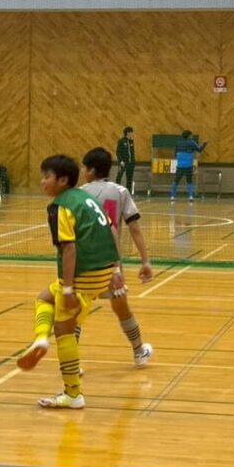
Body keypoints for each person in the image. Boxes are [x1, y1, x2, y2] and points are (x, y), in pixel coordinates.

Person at [16, 154, 119, 409]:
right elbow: (113, 229)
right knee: (44, 297)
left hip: (83, 275)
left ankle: (73, 394)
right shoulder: (86, 197)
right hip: (103, 271)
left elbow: (69, 249)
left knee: (64, 332)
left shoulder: (60, 206)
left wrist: (69, 288)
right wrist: (115, 269)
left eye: (47, 177)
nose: (42, 182)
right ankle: (41, 338)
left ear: (63, 180)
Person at [79, 147, 153, 365]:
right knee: (121, 308)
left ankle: (72, 363)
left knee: (75, 312)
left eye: (84, 167)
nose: (82, 171)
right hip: (111, 264)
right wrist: (145, 261)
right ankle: (138, 352)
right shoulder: (120, 192)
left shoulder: (79, 194)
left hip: (83, 262)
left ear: (91, 170)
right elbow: (134, 228)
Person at [169, 130, 207, 202]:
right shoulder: (191, 143)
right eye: (191, 135)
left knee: (176, 181)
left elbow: (175, 155)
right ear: (189, 136)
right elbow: (199, 149)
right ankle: (190, 197)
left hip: (180, 166)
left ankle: (172, 196)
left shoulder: (179, 143)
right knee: (189, 181)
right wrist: (204, 143)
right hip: (188, 166)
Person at [115, 126, 136, 193]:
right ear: (127, 133)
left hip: (130, 162)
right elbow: (118, 152)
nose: (132, 134)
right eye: (131, 132)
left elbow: (132, 152)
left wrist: (133, 161)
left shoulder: (131, 141)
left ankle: (128, 192)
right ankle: (117, 190)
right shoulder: (121, 141)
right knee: (119, 176)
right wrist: (121, 160)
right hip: (123, 162)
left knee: (129, 178)